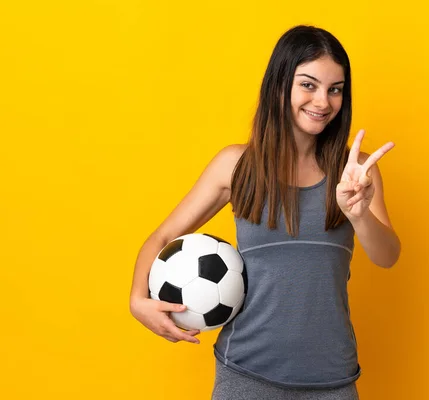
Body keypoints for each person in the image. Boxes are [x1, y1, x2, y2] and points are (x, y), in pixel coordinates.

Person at [129, 25, 401, 400]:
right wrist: (136, 300)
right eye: (308, 85)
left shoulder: (357, 171)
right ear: (280, 85)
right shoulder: (236, 165)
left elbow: (387, 256)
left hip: (332, 378)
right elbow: (160, 239)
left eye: (335, 89)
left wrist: (358, 213)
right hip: (245, 374)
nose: (323, 101)